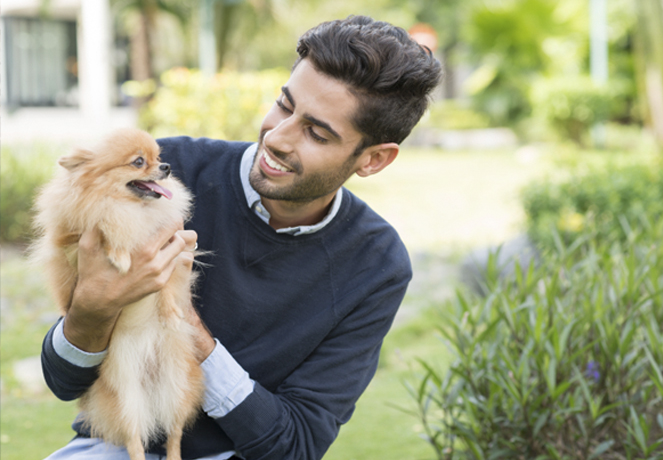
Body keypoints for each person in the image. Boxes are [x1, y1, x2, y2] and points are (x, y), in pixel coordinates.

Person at [41, 15, 442, 460]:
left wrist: (189, 330)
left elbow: (297, 444)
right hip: (114, 446)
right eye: (284, 105)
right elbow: (63, 380)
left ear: (373, 160)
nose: (278, 137)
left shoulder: (375, 263)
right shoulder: (161, 174)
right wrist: (92, 309)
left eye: (316, 132)